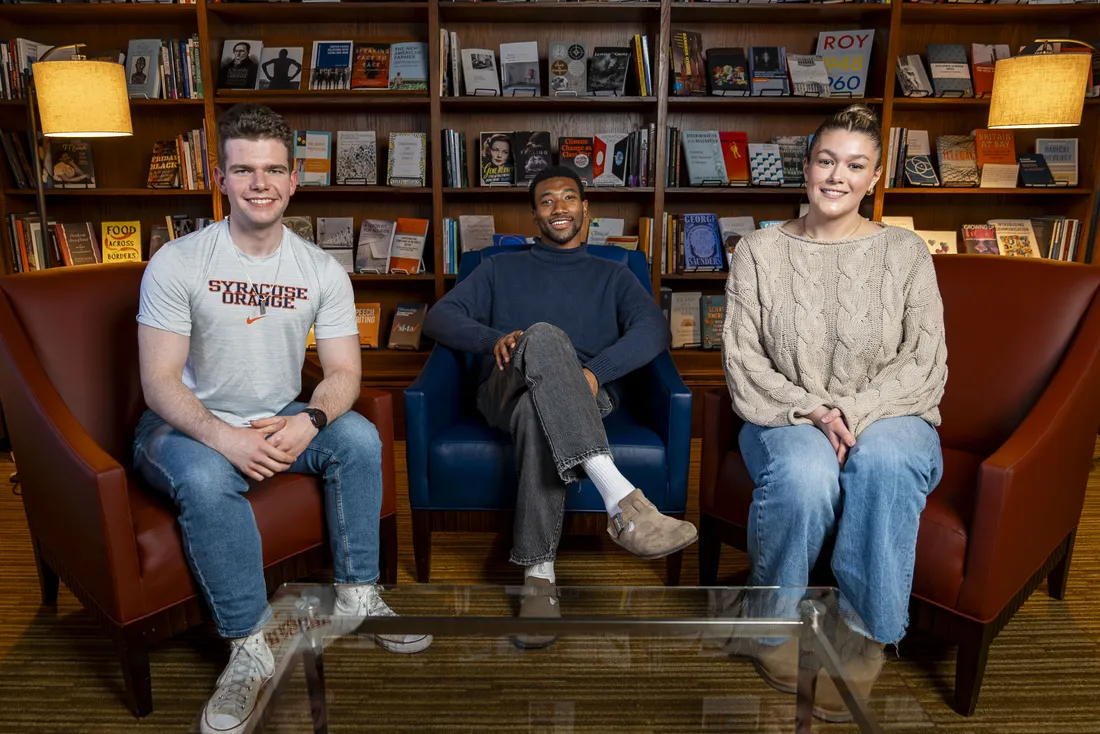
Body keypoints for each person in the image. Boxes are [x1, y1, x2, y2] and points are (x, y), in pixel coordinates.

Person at [132, 103, 432, 734]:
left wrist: (311, 422)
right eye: (244, 170)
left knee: (359, 437)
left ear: (294, 178)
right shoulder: (178, 262)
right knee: (210, 480)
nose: (260, 184)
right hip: (184, 425)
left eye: (272, 170)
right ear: (221, 179)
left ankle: (358, 595)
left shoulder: (320, 269)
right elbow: (158, 384)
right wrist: (224, 439)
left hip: (280, 415)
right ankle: (247, 646)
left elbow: (346, 374)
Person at [721, 104, 946, 721]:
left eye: (855, 165)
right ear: (807, 167)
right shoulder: (759, 252)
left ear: (874, 177)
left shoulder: (905, 252)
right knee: (803, 476)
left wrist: (851, 411)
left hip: (892, 410)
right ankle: (768, 628)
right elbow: (744, 360)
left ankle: (865, 633)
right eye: (826, 161)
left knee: (886, 463)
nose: (837, 176)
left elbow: (924, 358)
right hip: (787, 411)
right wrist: (814, 411)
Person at [423, 165, 698, 647]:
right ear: (535, 216)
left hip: (589, 393)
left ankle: (538, 575)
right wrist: (495, 341)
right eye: (547, 202)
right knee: (545, 335)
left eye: (568, 198)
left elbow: (653, 330)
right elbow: (439, 317)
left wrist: (595, 372)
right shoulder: (497, 268)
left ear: (586, 208)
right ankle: (622, 500)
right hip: (502, 388)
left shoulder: (615, 275)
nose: (559, 209)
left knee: (538, 411)